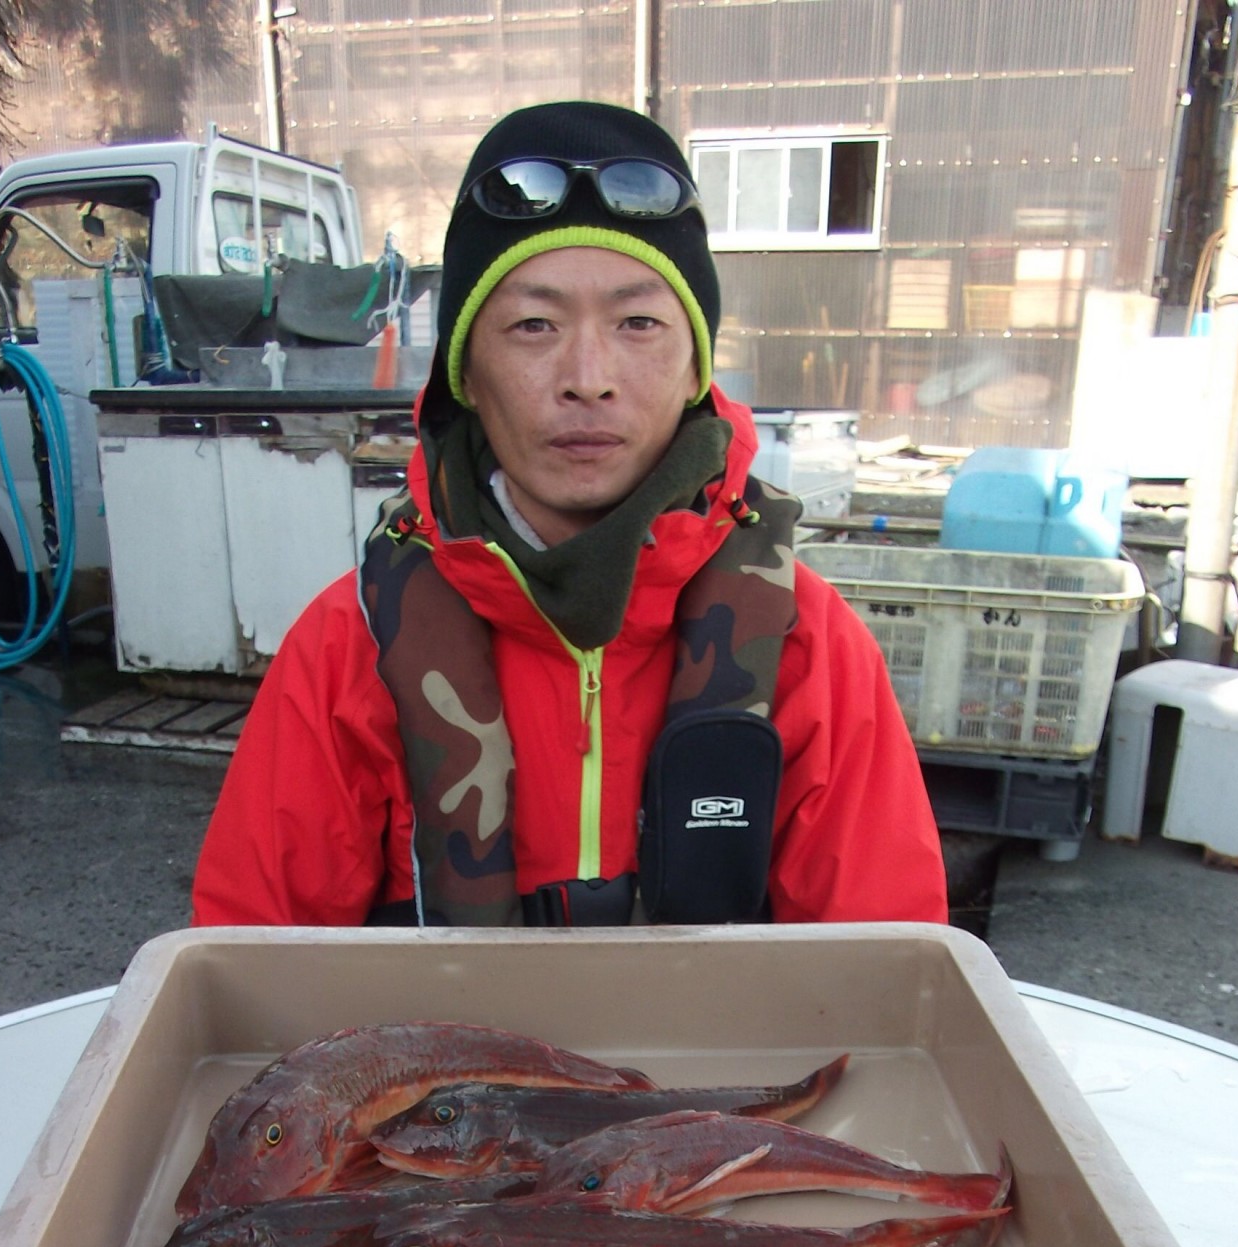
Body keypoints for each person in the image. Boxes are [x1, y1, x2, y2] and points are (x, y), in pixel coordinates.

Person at [191, 102, 949, 927]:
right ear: (465, 375)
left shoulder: (812, 648)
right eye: (533, 325)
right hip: (447, 1058)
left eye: (638, 324)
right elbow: (251, 973)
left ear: (696, 366)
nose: (588, 376)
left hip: (718, 1061)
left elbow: (885, 978)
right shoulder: (348, 647)